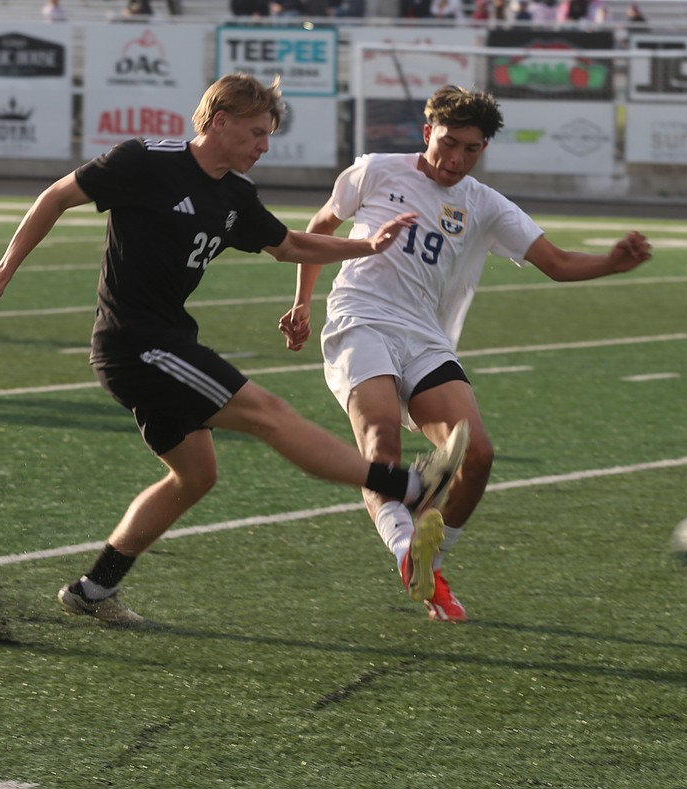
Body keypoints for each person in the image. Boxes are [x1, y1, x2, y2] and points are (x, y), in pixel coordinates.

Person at [0, 73, 469, 626]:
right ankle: (407, 485)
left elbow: (289, 245)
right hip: (136, 344)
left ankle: (94, 588)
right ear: (220, 121)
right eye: (257, 133)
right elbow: (57, 196)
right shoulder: (145, 160)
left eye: (269, 135)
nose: (264, 146)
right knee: (269, 413)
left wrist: (366, 245)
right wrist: (3, 271)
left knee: (197, 476)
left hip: (169, 340)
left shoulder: (235, 196)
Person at [278, 85, 652, 623]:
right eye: (448, 143)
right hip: (359, 318)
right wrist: (302, 303)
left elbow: (557, 262)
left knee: (476, 456)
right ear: (427, 133)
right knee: (381, 447)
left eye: (470, 149)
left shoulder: (485, 204)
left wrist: (613, 263)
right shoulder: (376, 170)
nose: (456, 158)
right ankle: (406, 551)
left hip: (425, 337)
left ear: (483, 150)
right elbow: (319, 228)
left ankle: (429, 565)